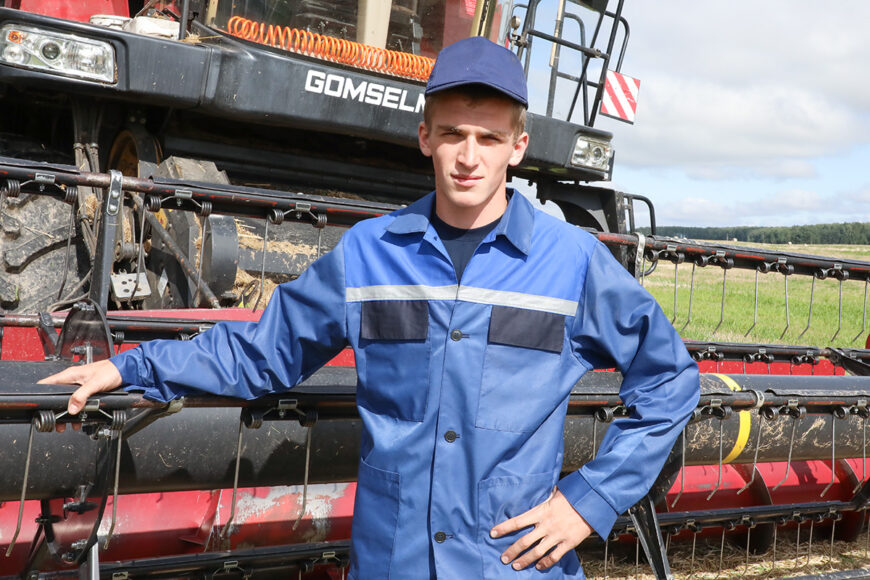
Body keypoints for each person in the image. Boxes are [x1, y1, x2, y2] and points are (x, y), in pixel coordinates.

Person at [42, 36, 700, 578]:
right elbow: (263, 352)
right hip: (394, 562)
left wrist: (588, 500)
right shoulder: (369, 255)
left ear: (518, 148)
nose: (469, 157)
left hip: (513, 563)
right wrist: (131, 366)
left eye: (489, 138)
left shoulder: (572, 262)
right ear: (425, 137)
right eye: (453, 134)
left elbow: (669, 379)